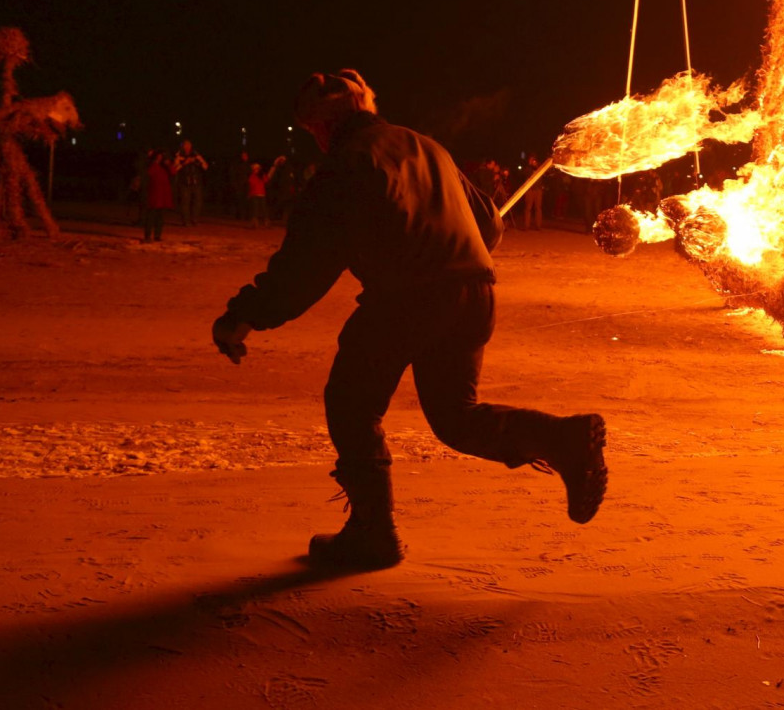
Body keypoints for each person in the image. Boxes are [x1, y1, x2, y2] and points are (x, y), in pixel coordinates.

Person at [210, 70, 607, 571]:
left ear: (321, 126)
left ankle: (373, 533)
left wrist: (245, 315)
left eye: (312, 130)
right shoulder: (428, 148)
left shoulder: (347, 164)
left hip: (409, 296)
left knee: (352, 404)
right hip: (474, 292)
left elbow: (304, 265)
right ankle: (563, 439)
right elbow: (489, 225)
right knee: (456, 418)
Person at [173, 139, 208, 226]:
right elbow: (175, 169)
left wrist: (196, 161)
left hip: (196, 181)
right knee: (185, 202)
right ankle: (186, 220)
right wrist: (185, 163)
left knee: (198, 201)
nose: (187, 147)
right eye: (186, 145)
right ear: (182, 146)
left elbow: (205, 167)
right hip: (184, 182)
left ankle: (194, 219)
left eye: (189, 145)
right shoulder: (179, 156)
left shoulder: (196, 155)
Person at [142, 149, 175, 242]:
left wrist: (168, 164)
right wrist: (154, 162)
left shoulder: (165, 166)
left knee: (160, 216)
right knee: (151, 215)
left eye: (161, 156)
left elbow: (173, 172)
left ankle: (157, 235)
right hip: (154, 192)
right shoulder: (152, 165)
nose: (160, 158)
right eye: (158, 156)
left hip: (163, 193)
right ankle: (147, 235)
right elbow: (149, 173)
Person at [247, 157, 283, 227]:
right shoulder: (252, 176)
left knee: (264, 209)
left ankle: (265, 221)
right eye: (255, 169)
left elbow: (267, 179)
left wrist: (273, 168)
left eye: (258, 169)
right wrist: (249, 194)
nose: (257, 170)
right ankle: (255, 221)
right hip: (254, 194)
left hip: (262, 194)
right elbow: (251, 185)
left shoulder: (261, 176)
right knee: (255, 209)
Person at [521, 155, 545, 231]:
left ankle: (538, 225)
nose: (533, 162)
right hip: (530, 190)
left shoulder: (540, 167)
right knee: (528, 208)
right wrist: (530, 166)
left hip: (538, 189)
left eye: (534, 160)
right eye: (531, 160)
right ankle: (526, 225)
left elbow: (544, 174)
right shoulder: (527, 168)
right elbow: (525, 173)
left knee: (538, 208)